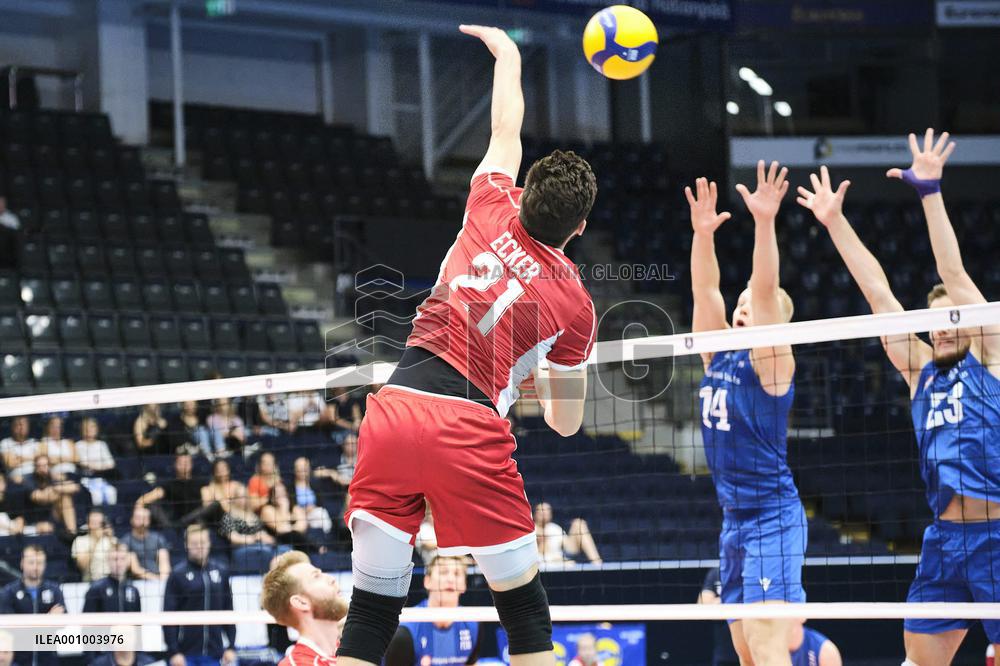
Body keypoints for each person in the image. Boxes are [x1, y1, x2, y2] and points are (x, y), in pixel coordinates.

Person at [337, 24, 597, 666]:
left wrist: (508, 53)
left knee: (370, 614)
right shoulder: (575, 305)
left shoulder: (488, 203)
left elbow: (505, 128)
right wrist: (531, 368)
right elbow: (566, 425)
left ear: (524, 190)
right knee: (527, 620)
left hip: (393, 409)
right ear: (581, 227)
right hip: (468, 429)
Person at [799, 129, 1000, 665]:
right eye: (932, 321)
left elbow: (952, 274)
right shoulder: (920, 373)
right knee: (917, 659)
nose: (942, 328)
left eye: (951, 318)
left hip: (997, 538)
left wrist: (929, 193)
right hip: (943, 542)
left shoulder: (991, 358)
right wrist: (835, 222)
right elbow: (878, 293)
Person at [687, 163, 802, 666]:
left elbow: (764, 286)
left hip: (773, 520)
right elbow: (706, 292)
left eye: (753, 306)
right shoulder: (717, 356)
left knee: (766, 646)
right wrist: (703, 236)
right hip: (733, 522)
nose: (743, 308)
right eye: (741, 304)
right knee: (745, 654)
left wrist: (763, 222)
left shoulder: (773, 363)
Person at [163, 524, 237, 666]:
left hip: (215, 653)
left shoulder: (221, 571)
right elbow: (168, 616)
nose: (199, 546)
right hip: (185, 655)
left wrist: (231, 646)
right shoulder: (177, 575)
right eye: (194, 543)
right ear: (186, 545)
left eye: (202, 542)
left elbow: (229, 611)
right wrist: (174, 652)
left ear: (209, 543)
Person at [385, 555, 481, 665]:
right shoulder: (405, 632)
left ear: (464, 585)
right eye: (443, 572)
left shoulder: (473, 623)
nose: (450, 579)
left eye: (457, 574)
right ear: (427, 581)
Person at [260, 550, 349, 666]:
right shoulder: (296, 664)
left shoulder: (354, 648)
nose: (332, 579)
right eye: (316, 576)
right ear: (301, 602)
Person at [0, 545, 66, 666]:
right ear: (22, 563)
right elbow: (9, 628)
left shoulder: (55, 590)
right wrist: (47, 620)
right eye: (31, 562)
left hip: (48, 656)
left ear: (45, 565)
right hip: (19, 658)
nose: (35, 567)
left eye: (40, 563)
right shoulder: (8, 592)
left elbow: (63, 622)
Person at [219, 483, 288, 569]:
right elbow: (233, 538)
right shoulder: (229, 516)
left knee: (284, 549)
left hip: (261, 544)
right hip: (241, 548)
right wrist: (254, 538)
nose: (243, 499)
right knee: (264, 551)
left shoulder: (253, 515)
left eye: (245, 496)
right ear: (234, 498)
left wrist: (269, 539)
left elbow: (262, 532)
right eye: (239, 496)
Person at [136, 453, 209, 529]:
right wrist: (138, 509)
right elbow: (143, 500)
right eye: (181, 463)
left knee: (213, 505)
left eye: (187, 462)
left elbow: (207, 505)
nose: (184, 465)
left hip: (199, 522)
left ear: (191, 464)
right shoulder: (170, 485)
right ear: (175, 465)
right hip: (179, 524)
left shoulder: (200, 482)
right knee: (153, 505)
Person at [23, 454, 80, 534]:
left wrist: (54, 489)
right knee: (63, 494)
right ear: (35, 467)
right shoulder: (29, 479)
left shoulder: (52, 476)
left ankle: (72, 533)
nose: (42, 469)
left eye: (45, 465)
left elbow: (75, 487)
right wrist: (57, 489)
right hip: (35, 517)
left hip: (52, 513)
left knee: (65, 497)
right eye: (39, 466)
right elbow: (38, 497)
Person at [532, 502, 601, 566]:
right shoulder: (531, 529)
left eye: (547, 510)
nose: (544, 512)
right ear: (535, 514)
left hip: (560, 558)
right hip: (543, 562)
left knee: (579, 523)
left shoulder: (554, 528)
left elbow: (568, 546)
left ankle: (597, 564)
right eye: (541, 510)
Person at [82, 543, 141, 613]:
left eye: (123, 559)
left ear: (127, 561)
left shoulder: (133, 589)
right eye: (115, 559)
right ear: (108, 561)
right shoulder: (96, 588)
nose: (119, 563)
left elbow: (138, 620)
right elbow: (87, 619)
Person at [698, 568, 740, 666]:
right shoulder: (716, 573)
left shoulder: (755, 571)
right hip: (724, 652)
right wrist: (733, 598)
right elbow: (703, 606)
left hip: (751, 645)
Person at [120, 504, 171, 581]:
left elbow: (164, 563)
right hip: (135, 582)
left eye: (145, 518)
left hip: (159, 581)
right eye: (138, 518)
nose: (142, 521)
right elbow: (135, 569)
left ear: (149, 521)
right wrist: (155, 579)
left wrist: (163, 580)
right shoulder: (125, 541)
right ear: (132, 520)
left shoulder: (158, 539)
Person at [72, 509, 118, 582]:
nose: (97, 526)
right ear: (88, 524)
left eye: (100, 523)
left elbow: (120, 561)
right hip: (91, 581)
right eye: (94, 523)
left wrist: (110, 538)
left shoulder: (112, 540)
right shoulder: (80, 541)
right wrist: (96, 541)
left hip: (112, 580)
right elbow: (82, 566)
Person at [292, 457, 334, 533]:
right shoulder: (291, 487)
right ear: (295, 470)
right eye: (300, 468)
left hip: (314, 515)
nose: (303, 471)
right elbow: (290, 506)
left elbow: (321, 503)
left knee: (321, 513)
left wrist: (313, 507)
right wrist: (304, 511)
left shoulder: (314, 484)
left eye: (305, 468)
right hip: (299, 517)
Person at [1, 416, 39, 481]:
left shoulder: (34, 442)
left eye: (24, 424)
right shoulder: (5, 442)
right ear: (12, 427)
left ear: (28, 427)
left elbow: (41, 460)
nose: (21, 427)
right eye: (19, 424)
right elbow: (10, 463)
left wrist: (20, 458)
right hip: (17, 477)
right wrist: (33, 458)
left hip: (37, 475)